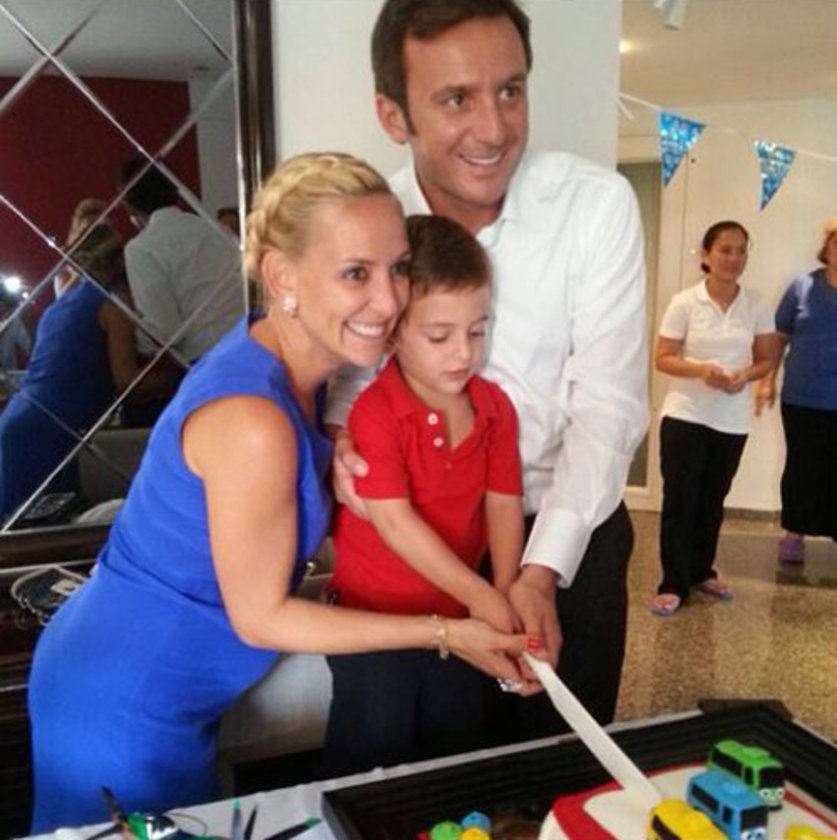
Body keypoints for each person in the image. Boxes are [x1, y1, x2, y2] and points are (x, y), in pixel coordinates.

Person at [28, 153, 532, 831]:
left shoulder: (295, 372)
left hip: (159, 686)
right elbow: (261, 617)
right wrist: (444, 631)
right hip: (125, 700)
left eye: (398, 268)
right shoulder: (254, 420)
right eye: (355, 273)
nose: (390, 301)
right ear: (280, 276)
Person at [328, 0, 648, 744]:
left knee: (561, 765)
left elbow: (607, 407)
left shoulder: (595, 207)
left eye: (510, 90)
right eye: (455, 99)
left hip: (566, 531)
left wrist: (539, 570)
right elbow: (344, 385)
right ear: (393, 115)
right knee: (429, 772)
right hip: (420, 546)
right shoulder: (364, 226)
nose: (495, 128)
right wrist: (341, 446)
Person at [325, 214, 534, 775]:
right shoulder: (376, 413)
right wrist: (481, 593)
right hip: (374, 628)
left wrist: (505, 590)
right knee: (373, 764)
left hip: (458, 619)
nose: (463, 353)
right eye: (440, 336)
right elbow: (394, 523)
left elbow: (503, 502)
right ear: (392, 332)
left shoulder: (494, 407)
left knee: (454, 756)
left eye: (478, 331)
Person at [0, 225, 172, 521]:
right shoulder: (111, 306)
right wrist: (181, 377)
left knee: (23, 532)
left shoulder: (62, 305)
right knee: (51, 527)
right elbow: (127, 382)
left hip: (20, 422)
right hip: (51, 433)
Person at [650, 221, 775, 617]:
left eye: (741, 250)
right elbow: (662, 358)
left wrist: (746, 376)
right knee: (680, 501)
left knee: (711, 501)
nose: (733, 258)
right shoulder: (686, 302)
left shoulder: (756, 303)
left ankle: (701, 571)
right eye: (725, 250)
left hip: (731, 421)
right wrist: (701, 370)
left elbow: (767, 359)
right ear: (706, 255)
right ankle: (673, 583)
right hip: (685, 415)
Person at [756, 218, 837, 562]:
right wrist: (766, 381)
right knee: (802, 465)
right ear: (827, 248)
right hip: (802, 396)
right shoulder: (802, 287)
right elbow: (778, 338)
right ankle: (794, 531)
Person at [119, 160, 244, 363]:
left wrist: (130, 331)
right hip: (249, 343)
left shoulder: (140, 249)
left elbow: (165, 333)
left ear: (129, 206)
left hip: (207, 360)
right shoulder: (215, 228)